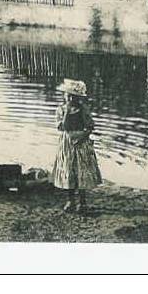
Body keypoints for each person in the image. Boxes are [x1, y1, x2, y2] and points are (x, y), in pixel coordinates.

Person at [52, 79, 103, 214]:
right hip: (67, 143)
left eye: (72, 96)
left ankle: (82, 201)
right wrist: (67, 112)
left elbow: (90, 126)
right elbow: (61, 127)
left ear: (78, 98)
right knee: (68, 169)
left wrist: (83, 135)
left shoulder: (83, 110)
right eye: (67, 95)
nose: (69, 98)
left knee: (81, 170)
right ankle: (70, 200)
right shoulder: (60, 110)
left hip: (81, 143)